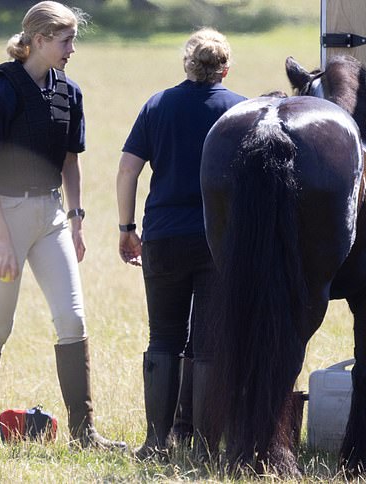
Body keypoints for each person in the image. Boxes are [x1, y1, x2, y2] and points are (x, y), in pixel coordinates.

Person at [0, 1, 125, 451]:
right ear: (37, 40)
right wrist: (1, 239)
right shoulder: (0, 90)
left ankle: (84, 434)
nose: (72, 49)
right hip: (6, 218)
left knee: (72, 319)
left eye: (73, 39)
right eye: (65, 40)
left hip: (51, 216)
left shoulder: (69, 92)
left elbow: (71, 162)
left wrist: (76, 219)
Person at [116, 27, 247, 459]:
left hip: (164, 237)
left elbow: (127, 171)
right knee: (208, 343)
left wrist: (126, 227)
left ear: (186, 65)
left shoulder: (157, 106)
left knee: (163, 338)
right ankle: (207, 447)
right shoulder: (241, 112)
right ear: (225, 68)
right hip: (218, 242)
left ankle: (155, 442)